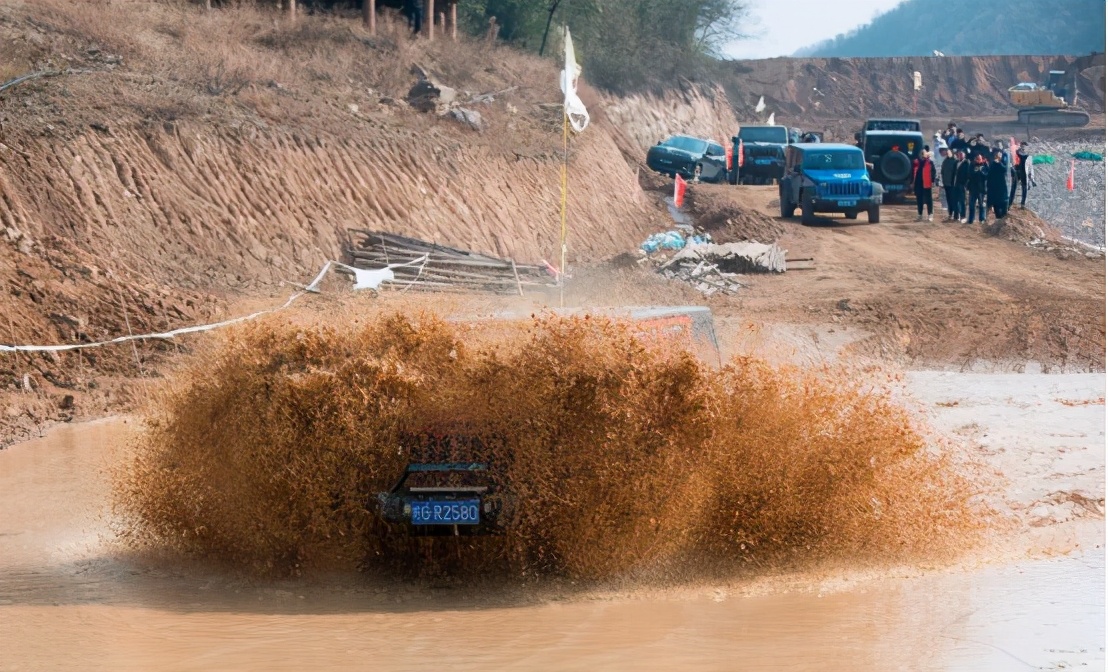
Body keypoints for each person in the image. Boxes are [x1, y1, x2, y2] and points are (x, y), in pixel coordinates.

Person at [912, 148, 938, 221]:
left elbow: (933, 172)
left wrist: (932, 181)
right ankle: (920, 215)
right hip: (918, 184)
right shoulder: (916, 162)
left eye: (923, 153)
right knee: (919, 200)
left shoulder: (930, 162)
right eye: (921, 153)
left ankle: (930, 215)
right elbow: (914, 173)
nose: (922, 155)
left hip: (927, 184)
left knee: (928, 200)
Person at [966, 154, 989, 224]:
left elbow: (987, 175)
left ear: (982, 159)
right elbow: (969, 175)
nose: (978, 160)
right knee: (971, 204)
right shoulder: (972, 165)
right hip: (973, 188)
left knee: (981, 205)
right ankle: (971, 219)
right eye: (977, 159)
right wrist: (976, 172)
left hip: (981, 189)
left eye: (980, 159)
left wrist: (981, 172)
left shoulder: (985, 165)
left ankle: (981, 219)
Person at [986, 150, 1009, 220]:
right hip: (994, 190)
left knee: (1004, 208)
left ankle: (1003, 220)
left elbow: (1004, 170)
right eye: (998, 156)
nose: (999, 157)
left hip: (1002, 189)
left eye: (1000, 156)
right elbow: (989, 177)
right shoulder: (992, 165)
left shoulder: (1002, 164)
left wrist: (999, 163)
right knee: (997, 210)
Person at [1009, 141, 1031, 208]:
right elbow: (1012, 162)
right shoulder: (1016, 153)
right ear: (1021, 146)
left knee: (1024, 188)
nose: (1023, 148)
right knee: (1013, 187)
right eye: (1023, 146)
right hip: (1017, 171)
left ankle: (1022, 204)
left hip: (1024, 172)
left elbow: (1029, 166)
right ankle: (1010, 202)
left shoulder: (1028, 155)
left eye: (1025, 146)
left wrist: (1029, 174)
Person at [940, 146, 958, 221]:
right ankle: (950, 214)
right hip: (946, 184)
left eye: (949, 152)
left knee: (954, 200)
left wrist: (953, 182)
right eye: (947, 152)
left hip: (952, 184)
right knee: (948, 200)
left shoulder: (955, 161)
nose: (947, 153)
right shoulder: (945, 161)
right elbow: (942, 172)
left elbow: (955, 173)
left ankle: (956, 216)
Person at [952, 149, 970, 222]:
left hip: (962, 185)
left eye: (962, 154)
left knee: (962, 201)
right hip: (955, 184)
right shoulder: (956, 162)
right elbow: (953, 174)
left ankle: (963, 216)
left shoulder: (966, 163)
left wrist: (965, 184)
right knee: (955, 200)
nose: (960, 155)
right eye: (959, 154)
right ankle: (956, 216)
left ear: (964, 155)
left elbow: (968, 175)